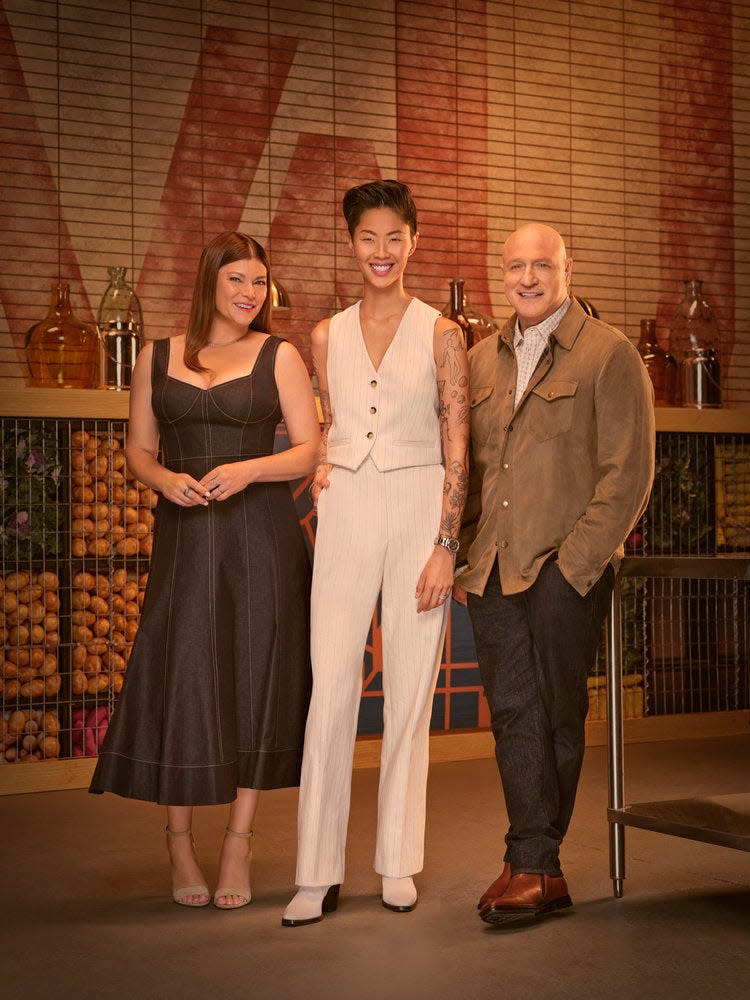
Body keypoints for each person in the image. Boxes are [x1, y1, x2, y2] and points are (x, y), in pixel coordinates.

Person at [89, 231, 320, 910]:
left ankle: (237, 843)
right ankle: (179, 840)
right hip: (185, 534)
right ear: (209, 285)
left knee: (254, 674)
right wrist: (164, 481)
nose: (250, 295)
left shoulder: (281, 356)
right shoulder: (157, 357)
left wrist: (250, 468)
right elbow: (138, 449)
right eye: (237, 282)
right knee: (184, 673)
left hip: (261, 537)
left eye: (259, 283)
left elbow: (309, 451)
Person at [455, 222, 655, 926]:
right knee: (514, 716)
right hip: (491, 571)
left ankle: (537, 864)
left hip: (560, 569)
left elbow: (628, 473)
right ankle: (530, 859)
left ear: (569, 267)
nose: (528, 277)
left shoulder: (610, 356)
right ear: (501, 274)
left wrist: (573, 567)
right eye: (515, 266)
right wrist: (461, 551)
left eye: (543, 264)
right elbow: (469, 470)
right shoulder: (480, 362)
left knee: (556, 712)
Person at [282, 180, 470, 926]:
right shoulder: (326, 334)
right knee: (329, 688)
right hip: (350, 509)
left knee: (410, 694)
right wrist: (327, 461)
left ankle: (398, 861)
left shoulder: (443, 333)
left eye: (396, 236)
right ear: (352, 242)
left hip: (421, 505)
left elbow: (460, 443)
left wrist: (445, 545)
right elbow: (331, 421)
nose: (382, 251)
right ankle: (315, 872)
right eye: (369, 237)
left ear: (413, 241)